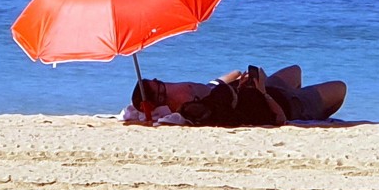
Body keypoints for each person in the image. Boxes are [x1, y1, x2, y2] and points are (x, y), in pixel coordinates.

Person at [130, 65, 346, 126]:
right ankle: (310, 110)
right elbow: (280, 119)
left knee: (295, 70)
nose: (164, 82)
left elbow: (231, 74)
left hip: (268, 89)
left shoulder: (201, 94)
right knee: (340, 87)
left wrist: (239, 81)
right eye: (160, 85)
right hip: (286, 105)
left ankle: (307, 100)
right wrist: (261, 92)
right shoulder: (203, 108)